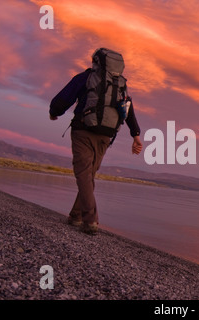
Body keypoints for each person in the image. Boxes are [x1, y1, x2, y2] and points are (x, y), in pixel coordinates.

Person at [49, 49, 143, 235]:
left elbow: (63, 99)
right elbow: (128, 109)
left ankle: (90, 219)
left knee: (83, 174)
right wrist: (136, 135)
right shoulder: (120, 86)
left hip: (83, 130)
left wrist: (54, 112)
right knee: (88, 175)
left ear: (96, 62)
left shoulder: (86, 77)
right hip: (106, 136)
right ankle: (76, 216)